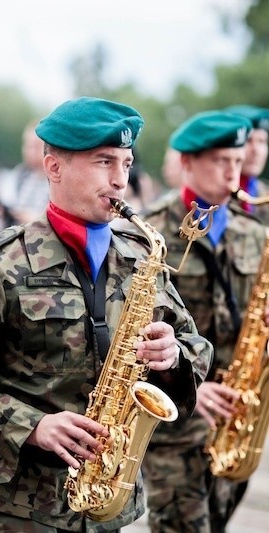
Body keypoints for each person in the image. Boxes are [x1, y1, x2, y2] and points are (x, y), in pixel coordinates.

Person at [0, 96, 212, 532]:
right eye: (104, 162)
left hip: (111, 500)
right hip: (20, 509)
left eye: (127, 165)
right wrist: (34, 427)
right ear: (53, 167)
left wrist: (173, 356)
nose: (120, 181)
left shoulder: (140, 258)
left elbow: (196, 347)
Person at [141, 110, 264, 533]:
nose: (233, 172)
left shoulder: (254, 232)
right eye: (220, 161)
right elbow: (135, 329)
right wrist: (194, 383)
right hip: (174, 421)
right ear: (188, 162)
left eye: (237, 160)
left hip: (234, 416)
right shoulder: (149, 232)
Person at [0, 120, 50, 231]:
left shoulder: (55, 180)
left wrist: (33, 219)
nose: (29, 151)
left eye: (35, 147)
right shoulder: (21, 174)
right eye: (27, 145)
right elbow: (10, 202)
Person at [224, 105, 269, 224]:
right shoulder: (213, 197)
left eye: (262, 141)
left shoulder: (265, 195)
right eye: (248, 141)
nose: (256, 150)